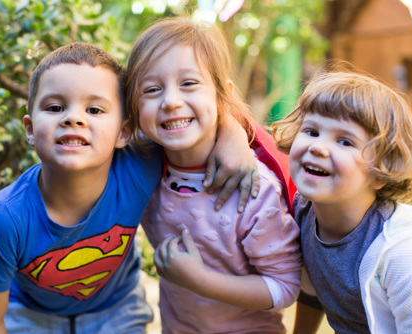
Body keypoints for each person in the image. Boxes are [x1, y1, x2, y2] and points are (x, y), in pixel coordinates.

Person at [0, 42, 261, 334]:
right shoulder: (4, 219)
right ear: (30, 129)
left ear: (124, 131)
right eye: (54, 107)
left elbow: (192, 119)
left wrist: (234, 132)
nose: (73, 118)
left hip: (117, 309)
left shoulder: (140, 164)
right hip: (31, 316)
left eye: (94, 110)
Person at [126, 18, 302, 333]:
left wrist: (199, 280)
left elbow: (284, 287)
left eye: (189, 83)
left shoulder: (254, 188)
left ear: (222, 97)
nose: (170, 101)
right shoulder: (141, 168)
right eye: (152, 89)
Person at [271, 62, 412, 334]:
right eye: (312, 131)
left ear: (381, 171)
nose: (318, 147)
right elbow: (313, 289)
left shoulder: (404, 252)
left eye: (345, 141)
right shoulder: (303, 214)